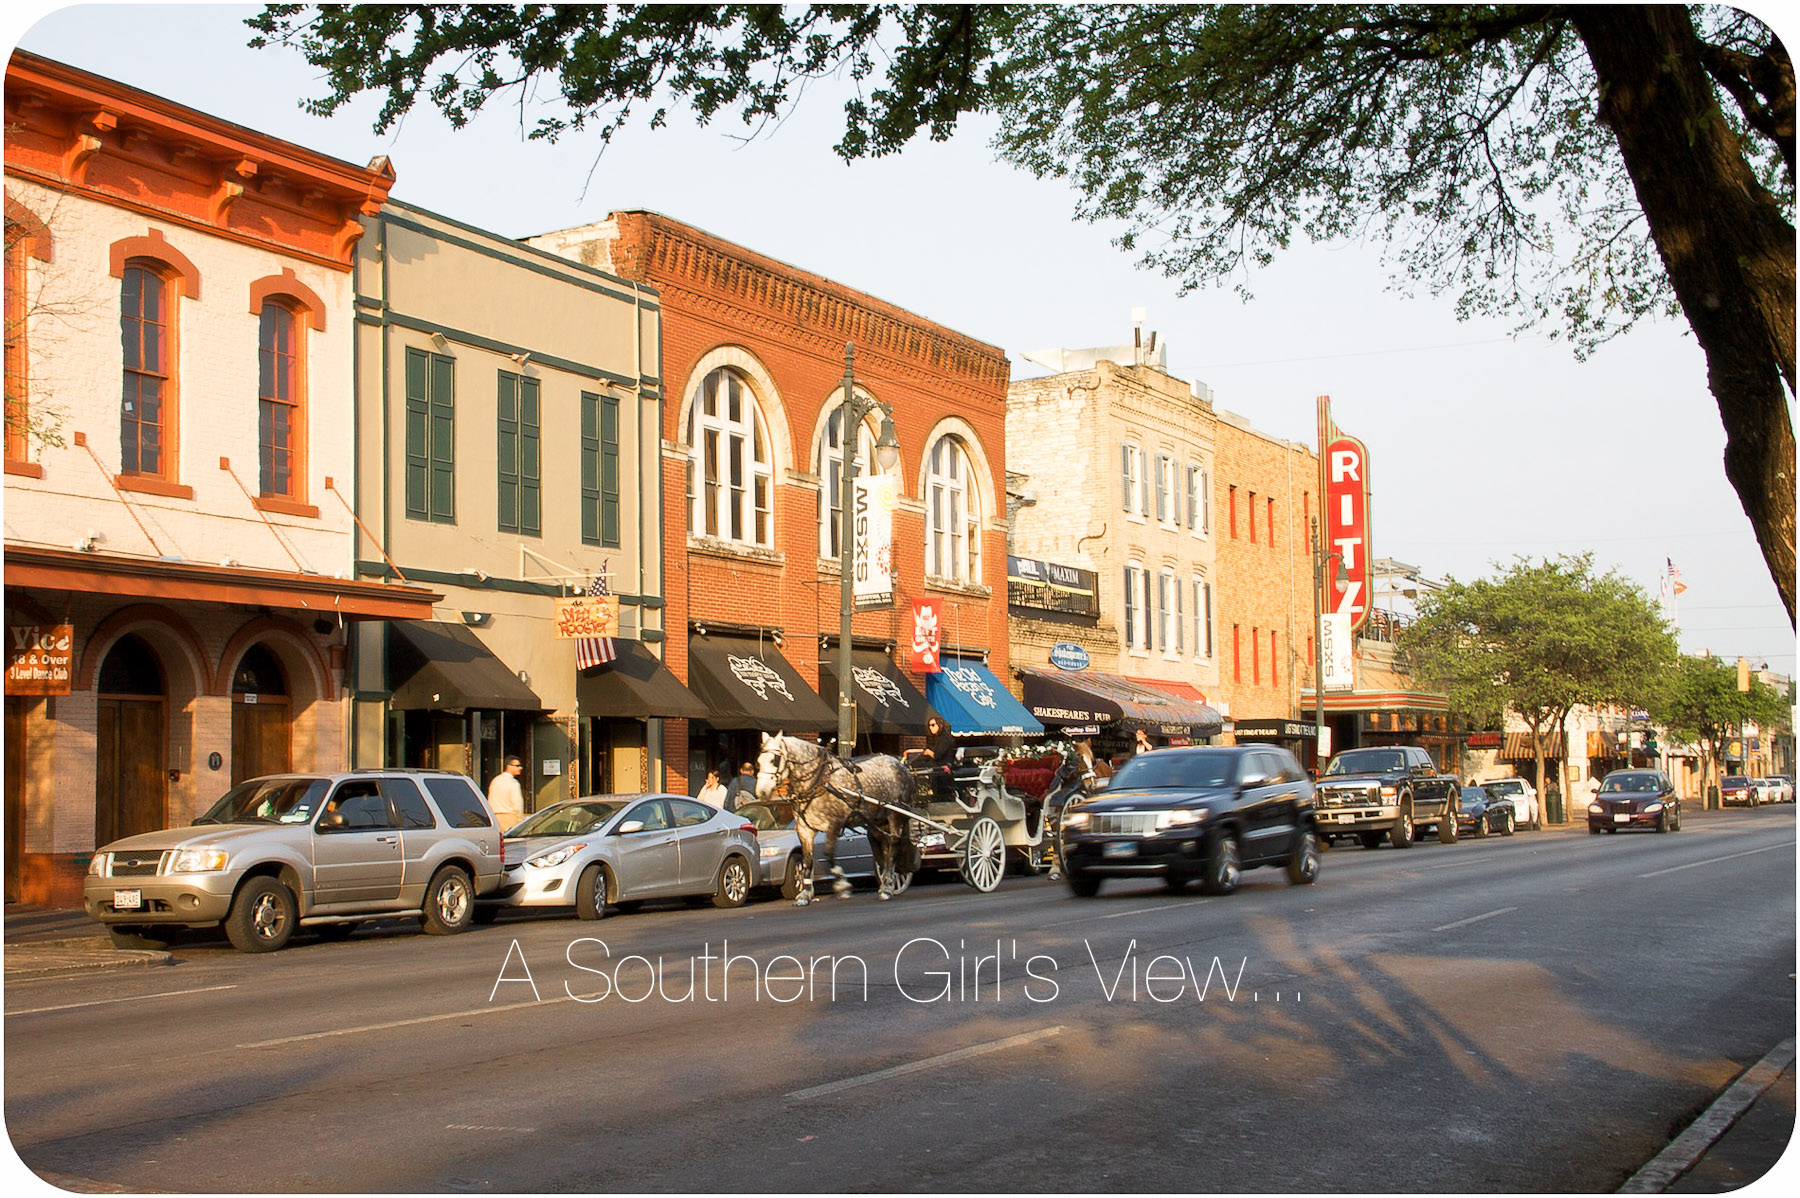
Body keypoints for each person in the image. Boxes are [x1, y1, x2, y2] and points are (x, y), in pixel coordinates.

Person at [487, 755, 525, 831]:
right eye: (517, 766)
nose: (520, 768)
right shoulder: (513, 783)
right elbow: (517, 804)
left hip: (495, 818)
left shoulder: (495, 780)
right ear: (509, 766)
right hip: (510, 818)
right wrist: (520, 820)